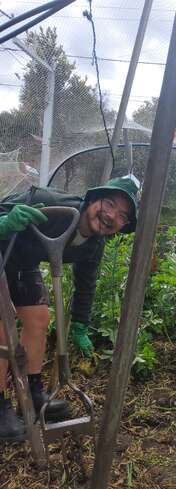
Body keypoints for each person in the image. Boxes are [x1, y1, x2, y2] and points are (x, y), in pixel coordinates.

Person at [0, 176, 138, 441]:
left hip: (23, 262)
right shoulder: (55, 205)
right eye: (109, 204)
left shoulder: (94, 245)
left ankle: (33, 392)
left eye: (122, 216)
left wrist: (80, 324)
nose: (111, 215)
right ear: (93, 199)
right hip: (1, 249)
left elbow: (86, 285)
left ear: (123, 226)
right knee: (4, 329)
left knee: (40, 320)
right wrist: (4, 224)